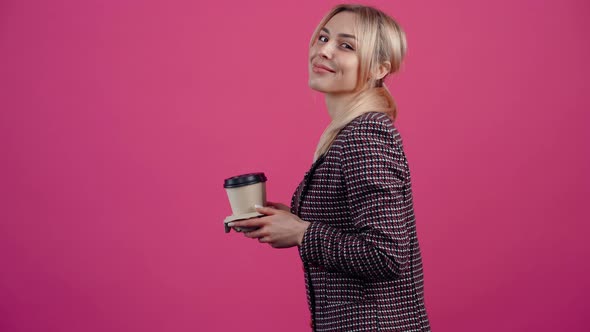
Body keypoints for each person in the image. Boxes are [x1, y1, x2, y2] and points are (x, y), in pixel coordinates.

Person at [227, 4, 431, 331]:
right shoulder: (348, 132)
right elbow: (352, 226)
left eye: (346, 45)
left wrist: (300, 232)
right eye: (323, 38)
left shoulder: (366, 135)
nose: (324, 50)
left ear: (380, 68)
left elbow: (387, 254)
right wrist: (287, 219)